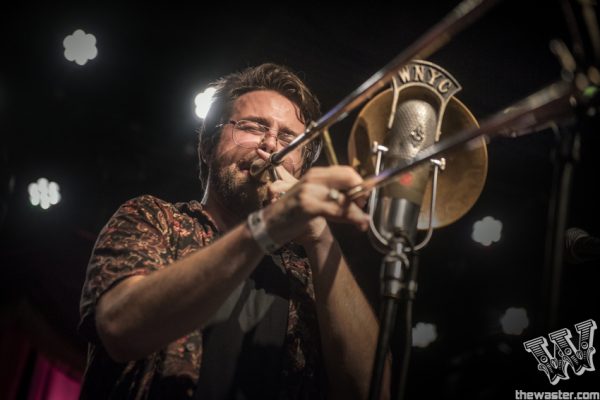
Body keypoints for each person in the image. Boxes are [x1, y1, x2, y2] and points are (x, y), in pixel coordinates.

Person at [78, 63, 387, 399]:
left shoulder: (307, 276)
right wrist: (265, 228)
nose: (271, 145)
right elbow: (120, 329)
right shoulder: (153, 218)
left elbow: (374, 391)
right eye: (254, 127)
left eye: (288, 138)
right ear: (208, 147)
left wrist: (321, 237)